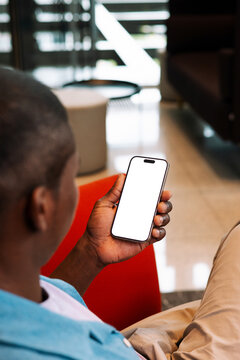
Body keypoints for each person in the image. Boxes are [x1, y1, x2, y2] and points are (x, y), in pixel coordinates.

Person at [0, 68, 172, 360]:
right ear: (40, 207)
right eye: (72, 174)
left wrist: (91, 251)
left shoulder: (18, 287)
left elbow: (43, 305)